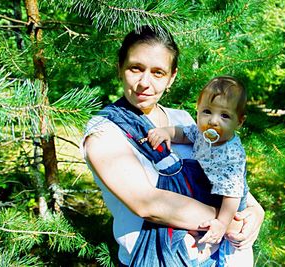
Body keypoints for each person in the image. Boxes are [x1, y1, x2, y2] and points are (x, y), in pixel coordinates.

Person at [81, 25, 264, 266]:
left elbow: (224, 171)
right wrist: (227, 221)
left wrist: (254, 210)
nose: (144, 83)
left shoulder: (183, 121)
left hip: (212, 258)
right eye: (135, 68)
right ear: (120, 69)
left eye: (158, 72)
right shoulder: (104, 133)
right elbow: (147, 203)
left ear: (172, 77)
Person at [148, 76, 249, 251]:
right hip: (206, 186)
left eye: (224, 115)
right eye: (207, 111)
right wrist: (167, 132)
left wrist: (222, 222)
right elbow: (185, 134)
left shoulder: (231, 153)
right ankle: (197, 235)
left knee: (222, 231)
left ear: (239, 121)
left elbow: (232, 195)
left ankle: (216, 244)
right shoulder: (203, 134)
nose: (213, 120)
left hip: (228, 200)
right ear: (198, 110)